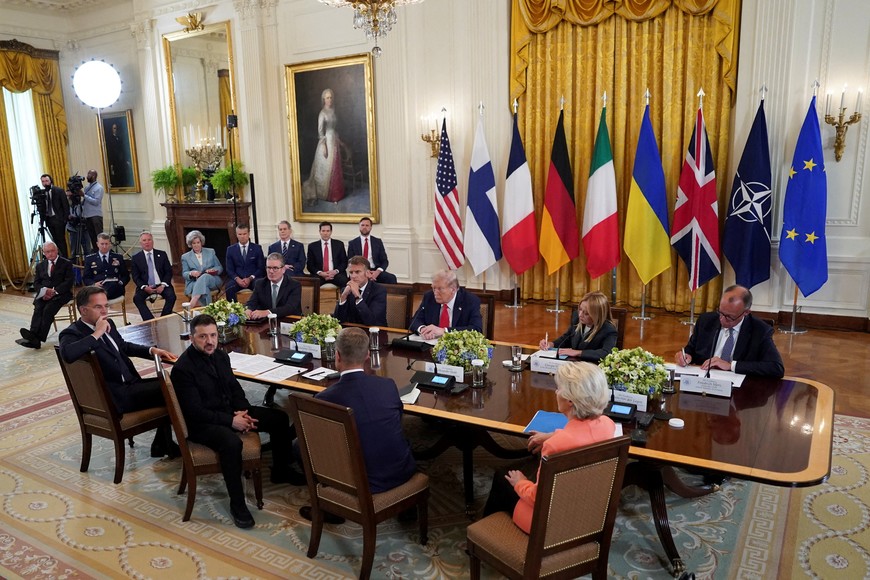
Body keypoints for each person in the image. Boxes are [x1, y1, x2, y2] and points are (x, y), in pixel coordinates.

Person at [170, 314, 302, 529]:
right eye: (203, 337)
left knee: (279, 418)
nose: (210, 341)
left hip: (229, 412)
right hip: (203, 423)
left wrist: (243, 411)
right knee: (232, 443)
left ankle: (281, 470)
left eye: (213, 335)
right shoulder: (183, 369)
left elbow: (234, 388)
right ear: (192, 338)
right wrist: (231, 421)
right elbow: (195, 412)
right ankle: (238, 504)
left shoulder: (221, 356)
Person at [299, 327, 416, 523]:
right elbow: (397, 419)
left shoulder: (325, 399)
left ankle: (331, 508)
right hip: (402, 470)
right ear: (367, 355)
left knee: (299, 445)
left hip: (360, 481)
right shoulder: (388, 385)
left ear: (337, 356)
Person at [482, 362, 616, 534]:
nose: (555, 392)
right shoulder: (607, 424)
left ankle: (488, 535)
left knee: (503, 478)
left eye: (558, 388)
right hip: (588, 514)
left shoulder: (556, 446)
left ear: (570, 400)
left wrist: (520, 482)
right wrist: (552, 435)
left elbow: (537, 498)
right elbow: (582, 434)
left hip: (551, 525)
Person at [58, 286, 178, 457]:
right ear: (83, 310)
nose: (105, 311)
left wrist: (151, 350)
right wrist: (97, 333)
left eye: (106, 306)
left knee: (174, 383)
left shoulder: (109, 323)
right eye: (98, 307)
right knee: (175, 389)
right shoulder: (72, 333)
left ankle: (162, 443)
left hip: (132, 385)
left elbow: (122, 346)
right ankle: (171, 443)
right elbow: (67, 354)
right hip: (115, 396)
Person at [675, 285, 784, 378]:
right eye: (721, 313)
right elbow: (691, 349)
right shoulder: (706, 320)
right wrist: (686, 356)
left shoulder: (760, 330)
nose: (722, 319)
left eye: (729, 317)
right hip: (704, 381)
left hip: (738, 388)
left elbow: (776, 368)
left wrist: (731, 366)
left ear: (746, 312)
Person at [17, 241, 74, 349]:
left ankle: (36, 339)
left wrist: (54, 291)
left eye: (52, 251)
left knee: (48, 309)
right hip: (44, 294)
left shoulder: (66, 263)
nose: (50, 254)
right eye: (47, 252)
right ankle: (33, 337)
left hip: (61, 294)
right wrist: (43, 291)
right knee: (38, 308)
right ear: (44, 253)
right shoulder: (40, 266)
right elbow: (36, 283)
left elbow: (69, 282)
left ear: (57, 251)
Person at [537, 291, 618, 362]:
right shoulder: (577, 319)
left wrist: (578, 353)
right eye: (580, 309)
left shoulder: (608, 330)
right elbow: (567, 338)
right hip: (573, 363)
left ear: (597, 315)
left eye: (586, 313)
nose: (580, 315)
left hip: (591, 367)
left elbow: (606, 353)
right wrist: (551, 344)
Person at [301, 88, 345, 206]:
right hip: (326, 142)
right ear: (323, 99)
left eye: (330, 97)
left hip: (334, 141)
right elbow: (320, 132)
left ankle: (336, 194)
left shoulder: (333, 111)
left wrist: (338, 140)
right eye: (327, 98)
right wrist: (324, 146)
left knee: (335, 167)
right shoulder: (322, 113)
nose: (329, 100)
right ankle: (325, 194)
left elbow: (334, 128)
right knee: (326, 169)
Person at [409, 269, 483, 339]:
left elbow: (476, 329)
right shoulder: (429, 297)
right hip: (431, 344)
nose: (435, 293)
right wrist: (423, 329)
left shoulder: (470, 301)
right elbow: (415, 321)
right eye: (434, 288)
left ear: (453, 289)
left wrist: (444, 331)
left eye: (440, 289)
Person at [131, 231, 176, 320]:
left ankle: (163, 319)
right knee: (137, 298)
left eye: (149, 240)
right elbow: (135, 276)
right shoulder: (136, 258)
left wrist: (163, 285)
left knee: (171, 296)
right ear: (140, 243)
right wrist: (144, 287)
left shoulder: (162, 254)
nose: (147, 242)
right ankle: (150, 320)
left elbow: (168, 272)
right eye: (144, 240)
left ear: (153, 241)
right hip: (146, 286)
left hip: (161, 284)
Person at [244, 252, 302, 320]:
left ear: (283, 269)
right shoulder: (260, 283)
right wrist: (248, 309)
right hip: (266, 322)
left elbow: (290, 308)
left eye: (275, 268)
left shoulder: (294, 285)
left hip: (288, 320)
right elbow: (252, 302)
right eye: (268, 268)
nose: (271, 271)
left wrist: (268, 312)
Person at [333, 256, 387, 326]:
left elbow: (372, 321)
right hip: (352, 330)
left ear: (367, 273)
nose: (353, 276)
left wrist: (358, 296)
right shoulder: (346, 290)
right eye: (351, 272)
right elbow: (338, 320)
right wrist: (343, 296)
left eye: (357, 272)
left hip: (373, 330)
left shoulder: (379, 290)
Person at [346, 217, 398, 284]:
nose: (364, 227)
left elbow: (385, 261)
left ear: (371, 227)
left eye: (367, 225)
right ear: (359, 227)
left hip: (375, 270)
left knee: (391, 278)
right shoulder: (353, 243)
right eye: (362, 225)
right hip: (359, 271)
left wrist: (377, 272)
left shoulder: (378, 242)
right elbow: (351, 261)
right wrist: (364, 272)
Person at [181, 230, 223, 308]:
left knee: (205, 276)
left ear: (201, 242)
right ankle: (208, 309)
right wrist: (191, 273)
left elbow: (219, 267)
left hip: (212, 280)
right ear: (190, 244)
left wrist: (213, 270)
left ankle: (193, 300)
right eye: (194, 243)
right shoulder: (185, 257)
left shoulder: (210, 252)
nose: (196, 245)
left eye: (198, 242)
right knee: (204, 288)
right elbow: (184, 273)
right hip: (194, 282)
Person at [224, 224, 265, 302]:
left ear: (248, 234)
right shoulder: (230, 250)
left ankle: (258, 307)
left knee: (259, 285)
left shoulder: (257, 248)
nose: (242, 236)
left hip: (253, 279)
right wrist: (237, 279)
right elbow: (229, 269)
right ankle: (234, 308)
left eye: (244, 234)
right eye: (240, 234)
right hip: (238, 279)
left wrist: (250, 278)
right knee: (229, 287)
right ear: (236, 235)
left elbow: (261, 268)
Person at [83, 233, 129, 300]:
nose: (104, 246)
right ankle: (101, 297)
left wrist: (120, 283)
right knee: (92, 293)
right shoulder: (90, 259)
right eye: (102, 244)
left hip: (115, 288)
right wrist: (94, 284)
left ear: (110, 244)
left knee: (112, 286)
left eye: (106, 244)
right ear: (97, 244)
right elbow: (86, 278)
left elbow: (126, 275)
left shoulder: (118, 257)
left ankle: (101, 297)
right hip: (97, 288)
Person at [306, 221, 348, 288]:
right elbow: (310, 265)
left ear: (331, 232)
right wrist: (321, 273)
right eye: (323, 231)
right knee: (313, 282)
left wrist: (335, 271)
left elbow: (344, 262)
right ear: (320, 232)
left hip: (336, 274)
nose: (325, 233)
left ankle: (343, 295)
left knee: (344, 281)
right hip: (320, 275)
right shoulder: (312, 246)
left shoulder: (339, 244)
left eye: (328, 231)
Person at [40, 174, 70, 257]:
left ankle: (64, 258)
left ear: (51, 181)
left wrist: (64, 220)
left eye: (46, 181)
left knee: (61, 241)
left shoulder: (59, 191)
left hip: (59, 219)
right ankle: (57, 258)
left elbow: (65, 206)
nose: (45, 183)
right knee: (55, 241)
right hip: (49, 220)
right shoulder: (42, 193)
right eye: (43, 181)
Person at [80, 170, 104, 249]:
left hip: (95, 215)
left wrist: (84, 195)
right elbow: (85, 201)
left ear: (94, 176)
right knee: (92, 237)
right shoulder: (87, 187)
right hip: (87, 215)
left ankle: (102, 252)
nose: (87, 176)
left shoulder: (99, 188)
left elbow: (96, 202)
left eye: (89, 174)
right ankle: (96, 252)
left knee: (99, 237)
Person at [106, 122, 133, 188]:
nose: (116, 130)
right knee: (117, 177)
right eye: (114, 128)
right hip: (115, 161)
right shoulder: (110, 139)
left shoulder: (120, 138)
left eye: (116, 128)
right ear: (112, 129)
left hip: (121, 161)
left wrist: (126, 160)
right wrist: (111, 164)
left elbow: (123, 149)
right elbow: (111, 152)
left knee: (123, 176)